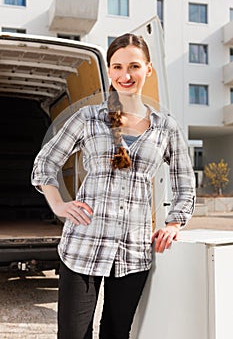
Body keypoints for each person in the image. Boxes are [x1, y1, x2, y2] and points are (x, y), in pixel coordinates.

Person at [31, 33, 196, 339]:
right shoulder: (87, 118)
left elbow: (185, 182)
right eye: (117, 67)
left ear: (148, 69)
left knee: (117, 333)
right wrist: (58, 204)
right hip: (82, 246)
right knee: (73, 334)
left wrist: (175, 222)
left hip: (133, 253)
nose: (125, 75)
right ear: (108, 71)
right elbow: (45, 163)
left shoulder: (165, 127)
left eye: (134, 66)